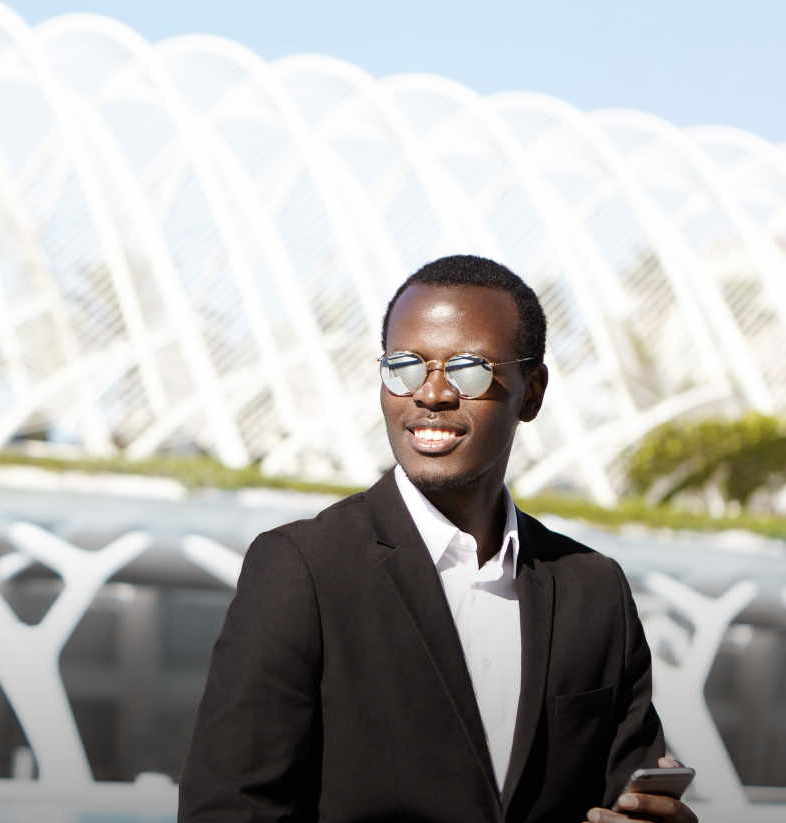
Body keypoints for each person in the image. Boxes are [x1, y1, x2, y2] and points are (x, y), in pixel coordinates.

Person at [179, 255, 697, 823]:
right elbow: (231, 810)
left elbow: (632, 793)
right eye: (404, 366)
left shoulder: (593, 591)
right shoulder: (302, 571)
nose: (430, 394)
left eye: (469, 369)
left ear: (532, 391)